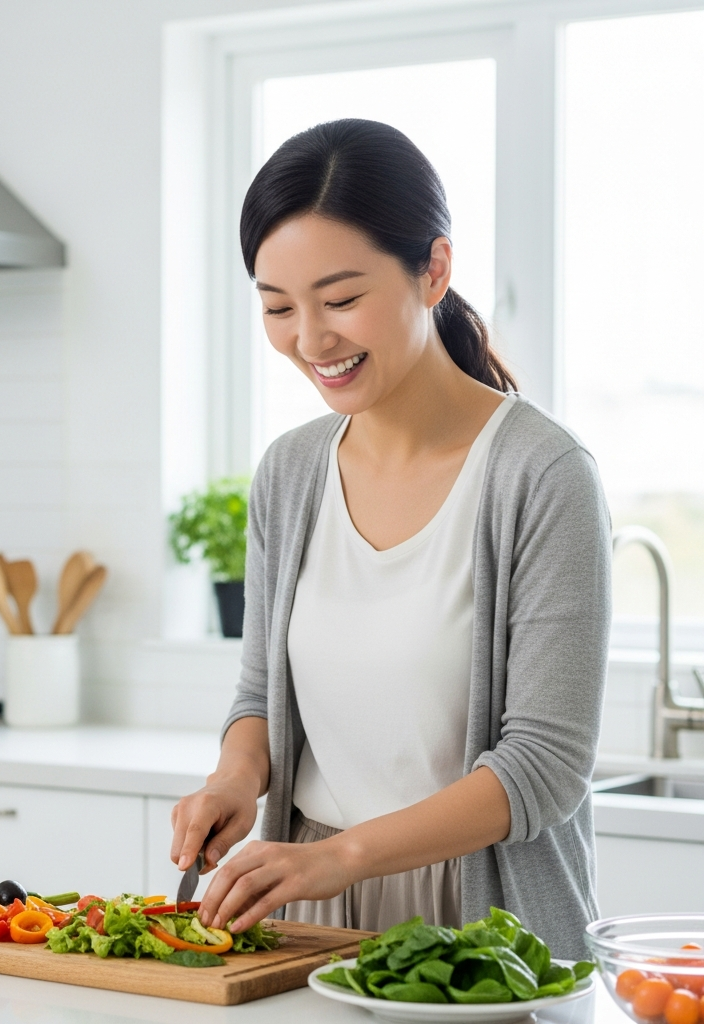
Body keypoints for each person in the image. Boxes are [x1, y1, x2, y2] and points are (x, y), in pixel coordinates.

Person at [169, 119, 611, 959]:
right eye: (276, 306)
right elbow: (263, 691)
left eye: (340, 300)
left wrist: (342, 858)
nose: (309, 339)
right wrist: (235, 777)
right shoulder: (291, 472)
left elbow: (544, 767)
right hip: (309, 919)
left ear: (433, 270)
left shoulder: (541, 474)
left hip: (484, 928)